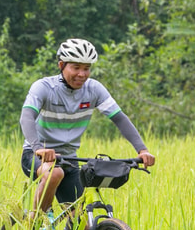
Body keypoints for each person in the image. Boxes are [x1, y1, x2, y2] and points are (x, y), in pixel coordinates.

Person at [20, 39, 155, 214]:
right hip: (37, 155)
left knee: (82, 221)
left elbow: (119, 118)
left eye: (86, 68)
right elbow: (27, 116)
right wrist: (38, 148)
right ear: (62, 65)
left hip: (69, 159)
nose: (82, 74)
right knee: (54, 173)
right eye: (76, 67)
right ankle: (37, 221)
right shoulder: (44, 87)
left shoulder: (94, 89)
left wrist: (142, 150)